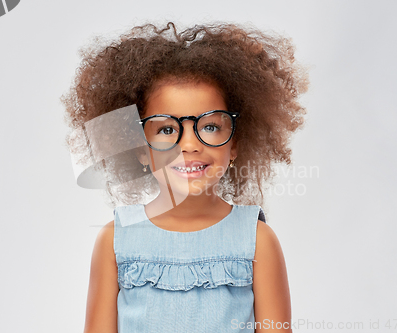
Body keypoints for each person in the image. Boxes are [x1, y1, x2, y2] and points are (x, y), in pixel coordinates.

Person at [62, 21, 308, 333]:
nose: (189, 145)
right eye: (166, 129)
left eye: (209, 126)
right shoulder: (115, 240)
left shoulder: (258, 241)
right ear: (139, 146)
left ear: (235, 143)